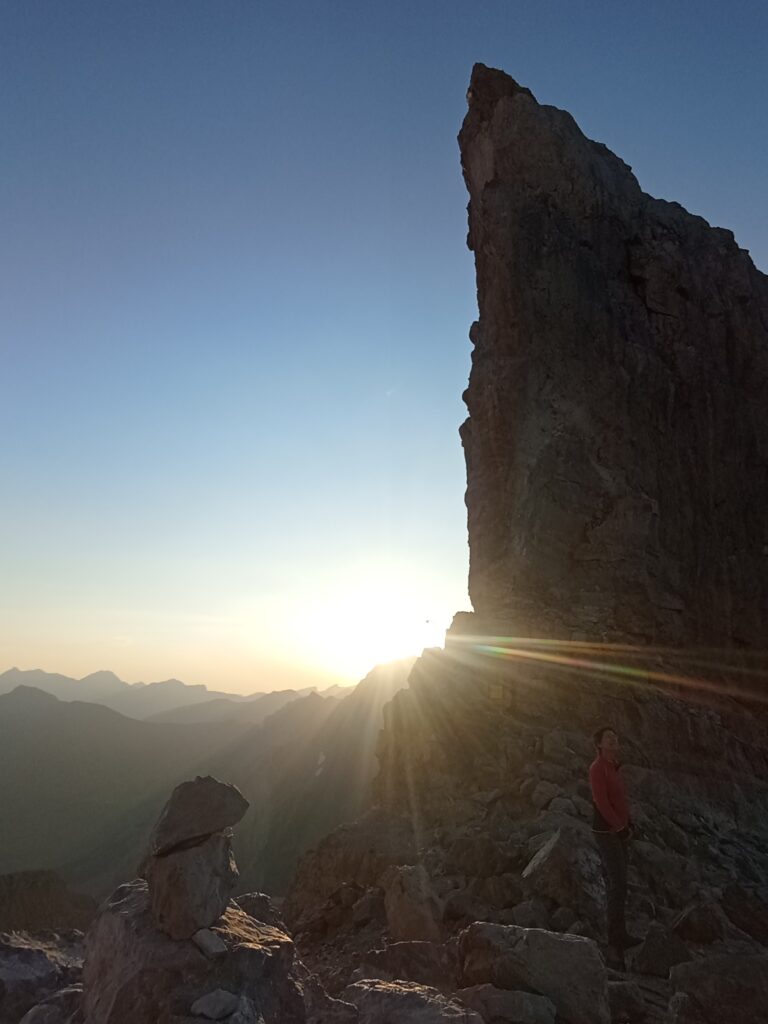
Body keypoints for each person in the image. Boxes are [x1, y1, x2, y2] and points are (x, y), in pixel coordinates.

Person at [589, 726, 641, 967]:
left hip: (619, 830)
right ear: (599, 744)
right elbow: (601, 802)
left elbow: (620, 799)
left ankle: (620, 933)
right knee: (617, 881)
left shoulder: (614, 767)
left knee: (620, 882)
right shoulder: (598, 768)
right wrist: (619, 827)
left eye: (616, 737)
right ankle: (614, 938)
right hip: (607, 832)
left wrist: (628, 822)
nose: (614, 740)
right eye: (609, 737)